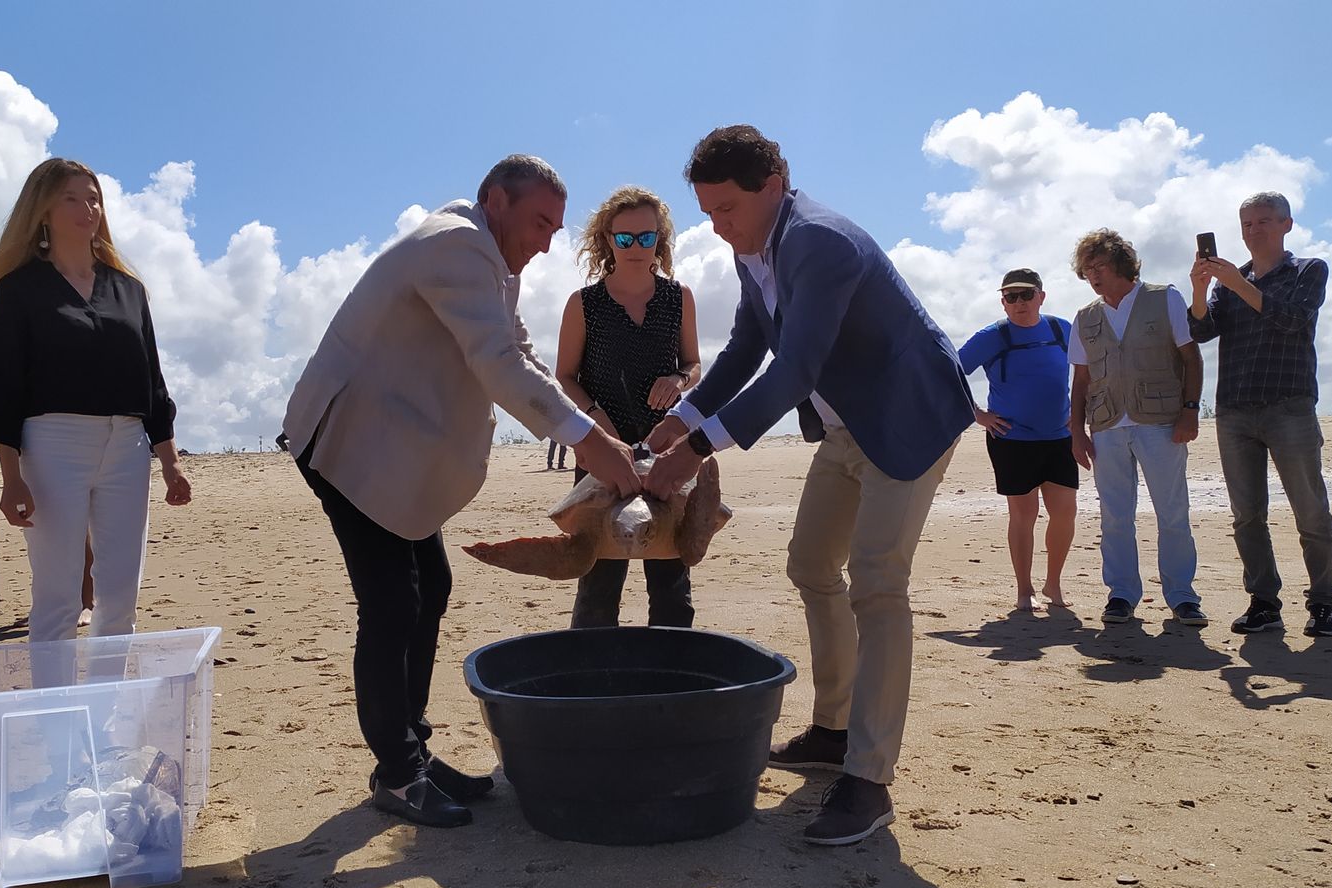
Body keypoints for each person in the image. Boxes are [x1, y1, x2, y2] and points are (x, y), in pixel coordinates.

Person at [281, 155, 640, 829]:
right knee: (392, 603)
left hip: (392, 456)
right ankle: (397, 772)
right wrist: (591, 445)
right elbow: (497, 363)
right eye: (539, 221)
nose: (546, 240)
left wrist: (594, 431)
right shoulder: (456, 245)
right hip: (349, 446)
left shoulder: (492, 263)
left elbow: (524, 352)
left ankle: (408, 749)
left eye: (556, 227)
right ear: (494, 201)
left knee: (431, 588)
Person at [644, 126, 974, 846]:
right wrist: (683, 418)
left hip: (909, 417)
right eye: (706, 211)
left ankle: (869, 777)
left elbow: (790, 372)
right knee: (811, 564)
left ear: (775, 182)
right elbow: (745, 348)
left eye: (727, 208)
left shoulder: (819, 241)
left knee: (878, 583)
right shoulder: (753, 247)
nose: (717, 226)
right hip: (846, 424)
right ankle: (833, 730)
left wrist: (698, 449)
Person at [0, 158, 191, 646]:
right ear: (43, 210)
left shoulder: (129, 290)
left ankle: (107, 717)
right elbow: (3, 386)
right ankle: (56, 722)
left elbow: (151, 380)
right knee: (57, 596)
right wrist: (10, 477)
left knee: (119, 599)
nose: (88, 208)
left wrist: (171, 462)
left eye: (94, 198)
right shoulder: (20, 289)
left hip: (128, 445)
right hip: (52, 442)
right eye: (72, 198)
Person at [1189, 192, 1332, 636]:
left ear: (1286, 225)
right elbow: (1201, 330)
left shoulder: (1308, 270)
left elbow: (1292, 319)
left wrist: (1237, 283)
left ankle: (1323, 603)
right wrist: (1200, 289)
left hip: (1289, 404)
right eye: (1248, 224)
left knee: (1310, 512)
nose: (1254, 230)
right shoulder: (1228, 281)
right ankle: (1263, 602)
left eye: (1264, 221)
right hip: (1235, 409)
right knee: (1247, 515)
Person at [554, 186, 702, 629]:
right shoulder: (584, 304)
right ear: (607, 241)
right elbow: (562, 378)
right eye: (624, 238)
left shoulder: (680, 298)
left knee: (672, 590)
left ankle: (672, 686)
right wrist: (594, 416)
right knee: (597, 589)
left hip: (665, 457)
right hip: (602, 455)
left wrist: (678, 380)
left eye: (646, 237)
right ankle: (594, 689)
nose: (636, 247)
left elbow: (694, 365)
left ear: (660, 239)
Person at [1067, 228, 1206, 627]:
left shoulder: (1166, 298)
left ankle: (1182, 597)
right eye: (1087, 267)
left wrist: (1190, 410)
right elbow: (1081, 381)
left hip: (1161, 422)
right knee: (1114, 515)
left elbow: (1191, 358)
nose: (1093, 274)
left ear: (1121, 264)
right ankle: (1122, 595)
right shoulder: (1086, 317)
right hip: (1107, 426)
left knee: (1173, 512)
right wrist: (1077, 432)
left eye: (1100, 265)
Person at [956, 269, 1078, 612]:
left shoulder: (1061, 329)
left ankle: (1053, 585)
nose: (1020, 302)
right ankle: (1025, 591)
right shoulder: (992, 336)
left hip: (1060, 437)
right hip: (1012, 439)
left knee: (1065, 512)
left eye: (1026, 294)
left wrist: (1084, 412)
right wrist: (977, 414)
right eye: (1012, 296)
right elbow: (948, 371)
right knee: (1024, 514)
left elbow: (1093, 369)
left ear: (1041, 296)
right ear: (1003, 302)